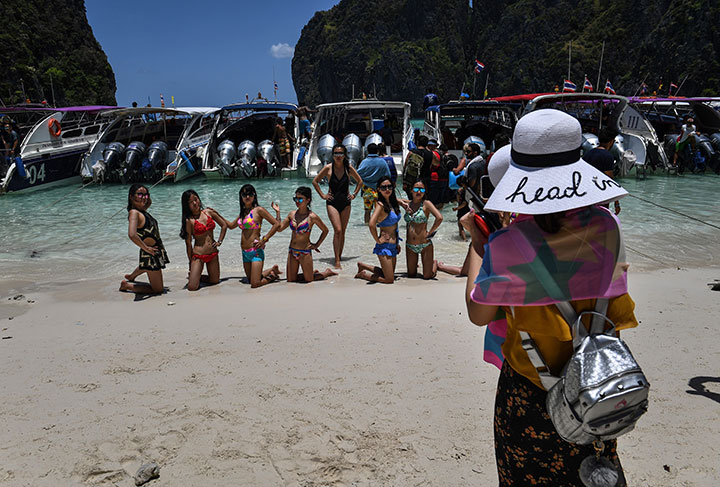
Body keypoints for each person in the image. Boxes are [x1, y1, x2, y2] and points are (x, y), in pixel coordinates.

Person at [464, 109, 635, 486]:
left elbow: (479, 312)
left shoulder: (507, 245)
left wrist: (480, 245)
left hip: (532, 394)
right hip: (598, 384)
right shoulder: (610, 226)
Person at [312, 143, 362, 267]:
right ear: (332, 155)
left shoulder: (348, 168)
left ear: (344, 155)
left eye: (340, 153)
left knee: (343, 231)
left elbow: (360, 181)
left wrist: (354, 194)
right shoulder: (328, 168)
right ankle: (337, 261)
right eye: (336, 153)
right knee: (338, 230)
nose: (338, 156)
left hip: (346, 202)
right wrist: (323, 195)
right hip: (332, 202)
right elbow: (315, 181)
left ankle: (339, 256)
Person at [226, 184, 282, 288]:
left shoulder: (258, 210)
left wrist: (264, 239)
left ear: (254, 195)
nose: (247, 197)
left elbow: (276, 224)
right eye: (244, 194)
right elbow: (230, 226)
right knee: (250, 279)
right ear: (241, 197)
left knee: (255, 283)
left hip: (255, 251)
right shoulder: (242, 214)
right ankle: (271, 270)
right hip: (245, 252)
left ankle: (273, 276)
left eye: (250, 194)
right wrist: (215, 215)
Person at [278, 186, 337, 282]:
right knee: (290, 280)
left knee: (309, 280)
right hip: (292, 251)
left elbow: (325, 230)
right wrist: (278, 214)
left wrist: (316, 244)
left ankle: (326, 272)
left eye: (300, 199)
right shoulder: (291, 214)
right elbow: (279, 229)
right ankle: (310, 272)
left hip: (305, 252)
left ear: (308, 200)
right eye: (295, 198)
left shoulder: (312, 217)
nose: (297, 201)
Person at [120, 184, 169, 294]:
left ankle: (131, 276)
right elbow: (132, 234)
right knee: (158, 290)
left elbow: (149, 202)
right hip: (149, 254)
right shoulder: (134, 213)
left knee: (146, 267)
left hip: (153, 252)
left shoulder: (143, 212)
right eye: (140, 194)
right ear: (131, 197)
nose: (144, 197)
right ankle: (127, 285)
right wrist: (146, 248)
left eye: (146, 195)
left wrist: (146, 196)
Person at [179, 190, 229, 291]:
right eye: (190, 202)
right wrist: (190, 262)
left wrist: (219, 241)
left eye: (196, 199)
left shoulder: (208, 212)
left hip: (213, 254)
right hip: (198, 256)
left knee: (214, 281)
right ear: (186, 205)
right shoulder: (189, 220)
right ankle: (194, 275)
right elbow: (188, 243)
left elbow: (224, 225)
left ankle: (196, 276)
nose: (194, 203)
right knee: (192, 287)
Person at [355, 176, 401, 284]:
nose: (387, 189)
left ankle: (363, 266)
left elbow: (395, 226)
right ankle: (364, 274)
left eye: (389, 187)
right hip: (384, 246)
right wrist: (378, 240)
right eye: (383, 187)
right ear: (379, 189)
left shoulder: (392, 203)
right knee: (389, 280)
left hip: (393, 245)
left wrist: (397, 243)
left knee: (389, 274)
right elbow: (371, 224)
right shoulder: (380, 205)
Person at [400, 180, 442, 279]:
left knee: (427, 276)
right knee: (411, 275)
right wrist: (401, 203)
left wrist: (430, 232)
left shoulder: (426, 204)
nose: (418, 192)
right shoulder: (407, 204)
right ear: (411, 191)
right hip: (410, 245)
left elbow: (439, 218)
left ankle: (434, 264)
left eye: (422, 189)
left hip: (425, 244)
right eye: (416, 189)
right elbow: (393, 199)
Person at [583, 127, 621, 214]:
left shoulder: (588, 154)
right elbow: (610, 180)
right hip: (600, 196)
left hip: (586, 195)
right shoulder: (607, 156)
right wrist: (616, 203)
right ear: (611, 141)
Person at [356, 143, 391, 224]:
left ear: (367, 151)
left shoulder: (364, 162)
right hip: (380, 189)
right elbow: (388, 175)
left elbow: (357, 175)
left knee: (367, 211)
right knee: (379, 210)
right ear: (377, 151)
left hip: (367, 189)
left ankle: (367, 228)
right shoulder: (382, 162)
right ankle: (379, 226)